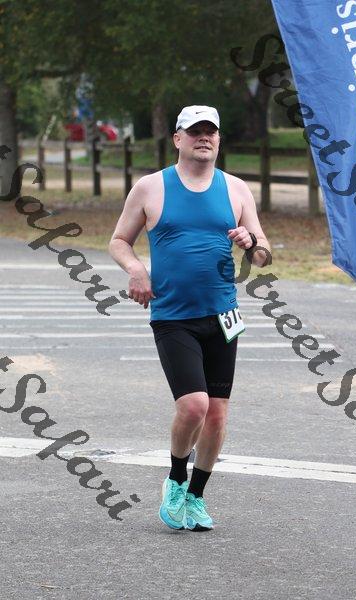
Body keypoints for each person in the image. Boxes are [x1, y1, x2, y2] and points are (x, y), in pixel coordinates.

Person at [109, 105, 271, 531]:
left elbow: (263, 253)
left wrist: (251, 241)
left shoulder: (236, 189)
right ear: (177, 139)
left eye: (210, 132)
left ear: (218, 140)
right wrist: (136, 270)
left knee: (217, 414)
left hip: (223, 316)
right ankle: (176, 478)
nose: (204, 138)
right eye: (194, 131)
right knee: (194, 405)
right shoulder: (150, 187)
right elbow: (119, 240)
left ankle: (196, 495)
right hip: (173, 316)